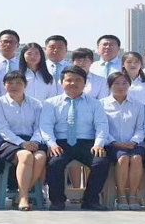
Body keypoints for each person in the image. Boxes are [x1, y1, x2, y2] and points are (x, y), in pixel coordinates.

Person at [41, 66, 110, 211]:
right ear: (61, 83)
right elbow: (46, 126)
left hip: (87, 143)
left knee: (101, 162)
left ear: (85, 83)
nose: (73, 83)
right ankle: (57, 200)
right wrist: (51, 144)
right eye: (69, 80)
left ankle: (90, 200)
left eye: (78, 80)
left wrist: (99, 144)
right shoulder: (51, 103)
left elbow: (102, 125)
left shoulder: (95, 103)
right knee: (55, 162)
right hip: (61, 142)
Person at [0, 70, 46, 211]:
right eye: (10, 83)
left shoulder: (35, 104)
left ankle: (21, 193)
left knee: (40, 157)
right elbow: (3, 129)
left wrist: (35, 142)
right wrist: (22, 144)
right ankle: (23, 198)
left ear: (25, 85)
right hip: (8, 142)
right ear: (4, 85)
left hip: (32, 139)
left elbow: (39, 126)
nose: (14, 86)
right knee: (25, 155)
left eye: (18, 83)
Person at [101, 72, 145, 210]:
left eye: (125, 83)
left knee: (137, 158)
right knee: (123, 159)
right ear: (109, 85)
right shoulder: (101, 104)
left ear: (130, 85)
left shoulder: (138, 105)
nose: (121, 86)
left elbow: (141, 128)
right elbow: (101, 128)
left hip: (134, 144)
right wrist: (114, 142)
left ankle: (133, 195)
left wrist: (134, 142)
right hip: (111, 144)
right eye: (116, 83)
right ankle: (121, 195)